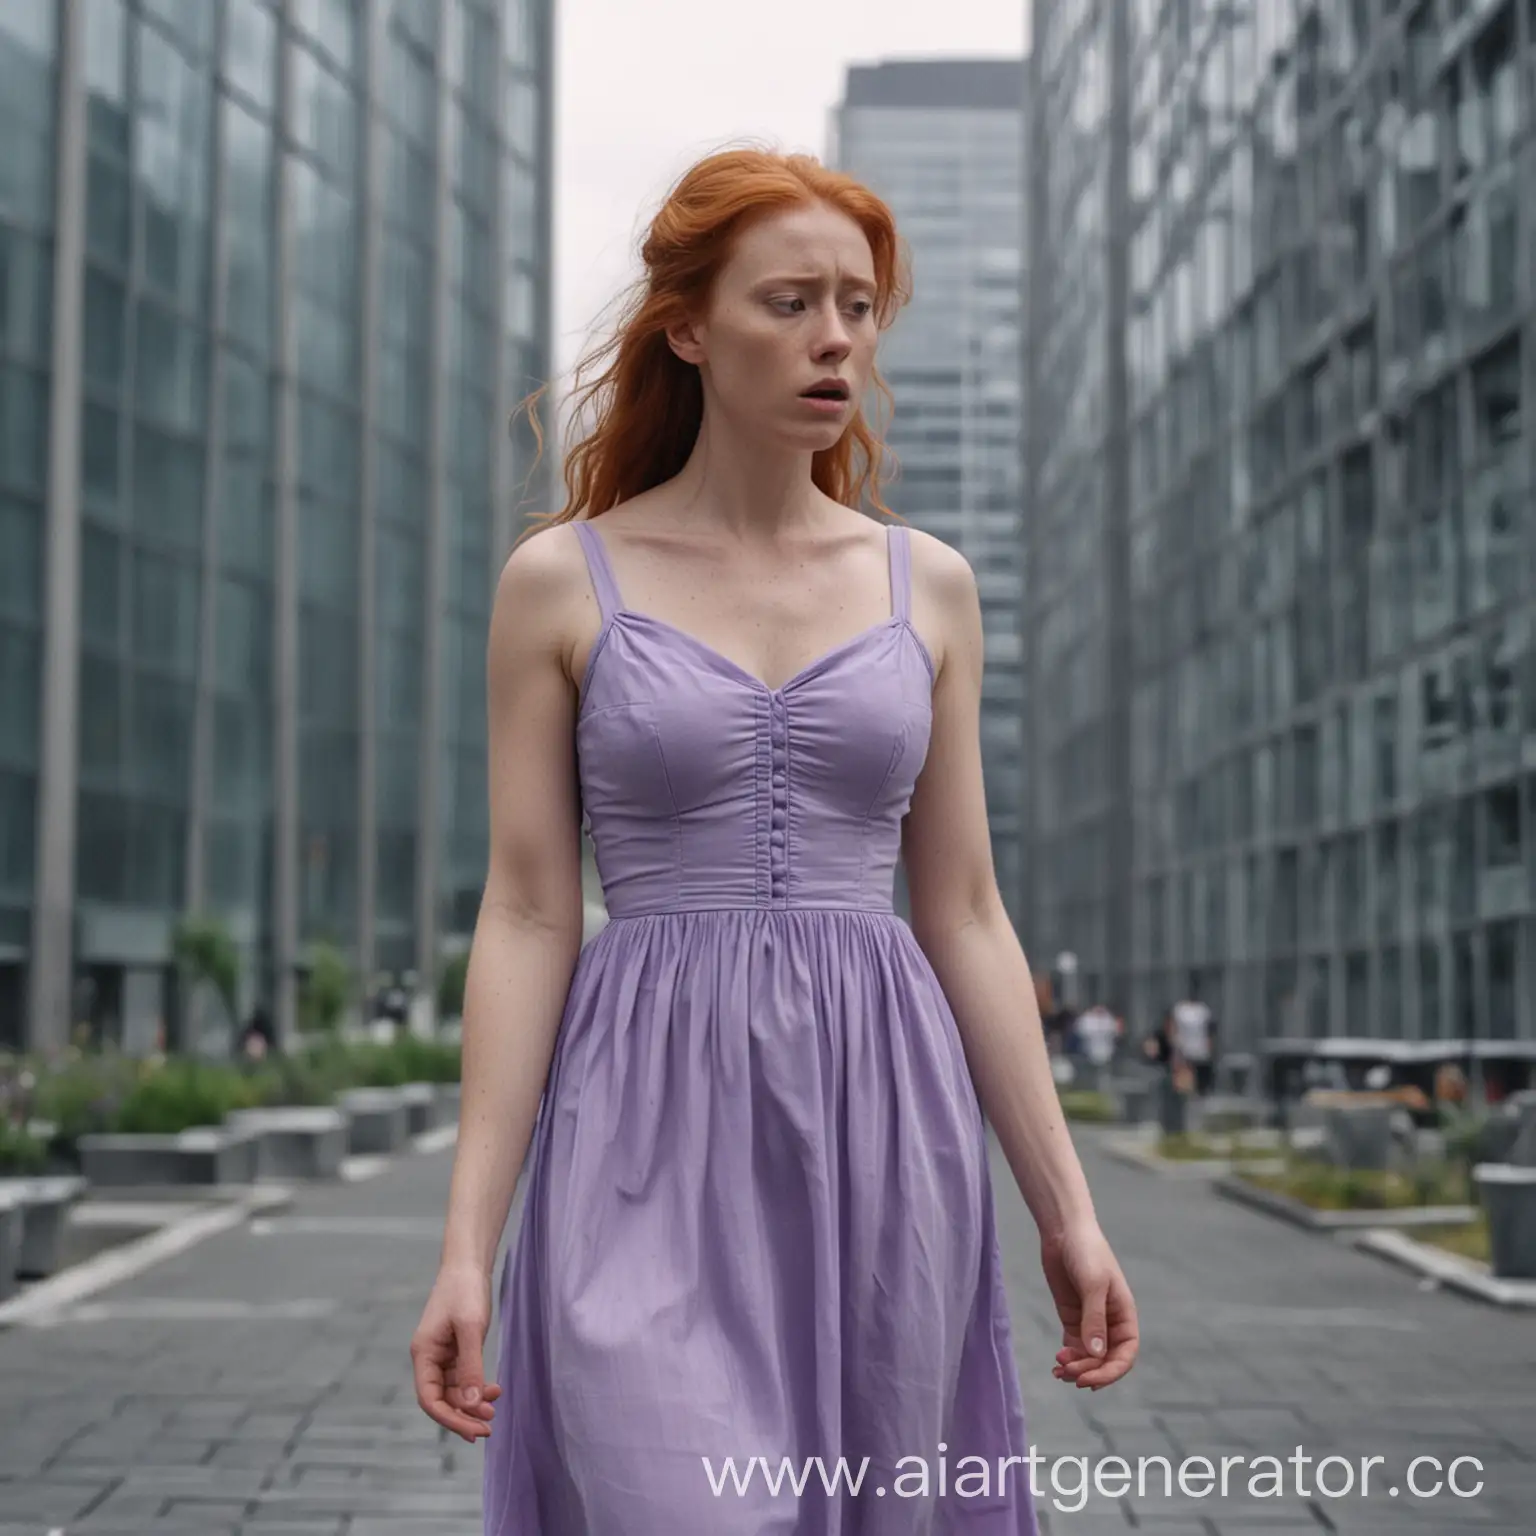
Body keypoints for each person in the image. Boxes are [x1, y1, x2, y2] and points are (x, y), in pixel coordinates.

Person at [410, 148, 1137, 1532]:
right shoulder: (563, 580)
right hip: (640, 1122)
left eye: (858, 308)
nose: (835, 341)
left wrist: (1067, 1208)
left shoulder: (929, 586)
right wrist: (465, 1246)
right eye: (790, 302)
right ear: (687, 326)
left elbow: (968, 911)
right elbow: (524, 914)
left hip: (884, 1115)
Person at [1169, 996, 1218, 1097]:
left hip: (1200, 1049)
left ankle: (1201, 1092)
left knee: (1201, 1075)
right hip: (1184, 1048)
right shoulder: (1180, 1009)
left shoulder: (1203, 1010)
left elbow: (1209, 1030)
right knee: (1185, 1074)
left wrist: (1209, 1045)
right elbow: (1173, 1027)